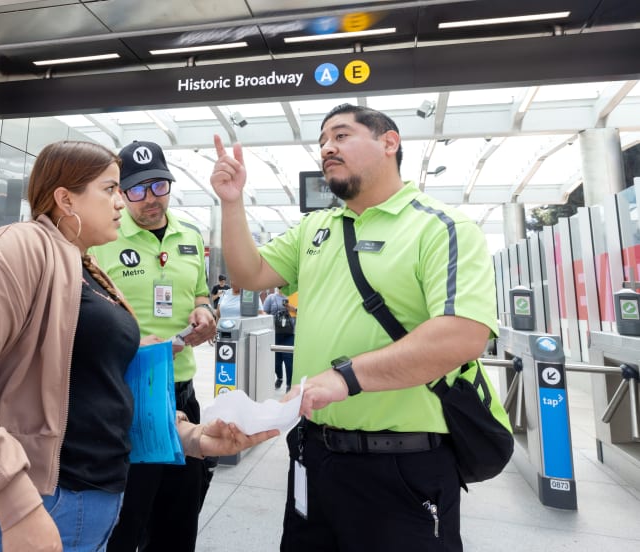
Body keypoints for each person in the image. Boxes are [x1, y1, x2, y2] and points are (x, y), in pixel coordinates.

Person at [0, 141, 274, 552]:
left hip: (86, 508)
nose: (122, 202)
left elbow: (101, 385)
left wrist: (191, 436)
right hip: (24, 509)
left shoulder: (88, 270)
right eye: (111, 189)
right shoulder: (17, 248)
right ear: (66, 199)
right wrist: (17, 506)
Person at [209, 104, 498, 551]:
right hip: (312, 453)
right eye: (322, 141)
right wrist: (232, 203)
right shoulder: (315, 228)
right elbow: (250, 273)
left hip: (402, 465)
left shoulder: (440, 226)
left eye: (341, 135)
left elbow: (462, 334)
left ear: (389, 142)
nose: (327, 147)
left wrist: (346, 378)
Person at [90, 140, 218, 552]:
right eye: (137, 189)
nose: (151, 198)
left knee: (179, 522)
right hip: (127, 396)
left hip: (182, 394)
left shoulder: (190, 237)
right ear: (120, 193)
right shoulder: (102, 239)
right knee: (125, 523)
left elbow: (201, 293)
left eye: (159, 186)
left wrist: (204, 310)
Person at [262, 286, 295, 391]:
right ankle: (280, 378)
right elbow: (264, 312)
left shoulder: (293, 297)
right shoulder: (271, 298)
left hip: (289, 333)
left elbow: (301, 312)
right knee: (276, 361)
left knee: (289, 360)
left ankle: (289, 384)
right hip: (275, 333)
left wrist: (292, 308)